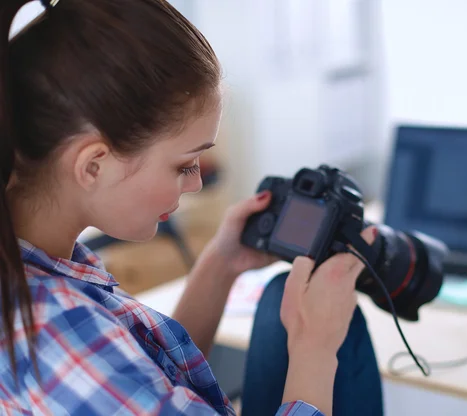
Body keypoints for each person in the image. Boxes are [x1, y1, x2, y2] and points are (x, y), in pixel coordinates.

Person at [0, 1, 383, 415]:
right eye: (184, 165)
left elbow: (149, 386)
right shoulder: (53, 334)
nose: (197, 182)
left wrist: (221, 265)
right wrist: (316, 347)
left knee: (278, 301)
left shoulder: (44, 266)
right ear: (93, 165)